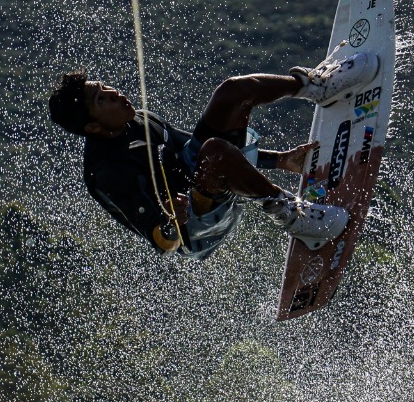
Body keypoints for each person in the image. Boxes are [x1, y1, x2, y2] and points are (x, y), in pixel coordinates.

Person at [47, 51, 378, 259]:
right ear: (93, 127)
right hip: (194, 226)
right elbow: (163, 243)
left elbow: (194, 147)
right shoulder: (108, 173)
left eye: (103, 86)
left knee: (232, 91)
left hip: (202, 173)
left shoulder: (136, 118)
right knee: (215, 152)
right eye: (101, 99)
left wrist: (279, 160)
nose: (113, 93)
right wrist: (172, 222)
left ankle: (318, 87)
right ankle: (296, 217)